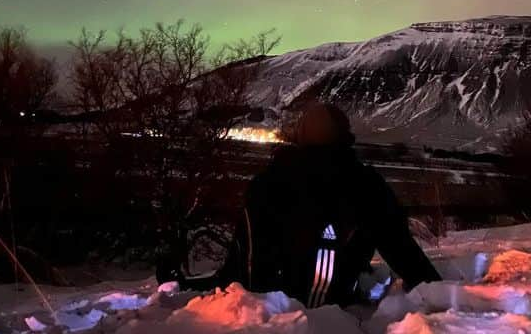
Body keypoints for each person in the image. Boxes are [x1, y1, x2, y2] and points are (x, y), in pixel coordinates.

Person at [158, 102, 441, 307]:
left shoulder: (267, 182)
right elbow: (402, 250)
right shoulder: (366, 185)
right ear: (345, 137)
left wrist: (201, 286)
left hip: (265, 305)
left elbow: (244, 256)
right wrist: (441, 291)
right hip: (333, 303)